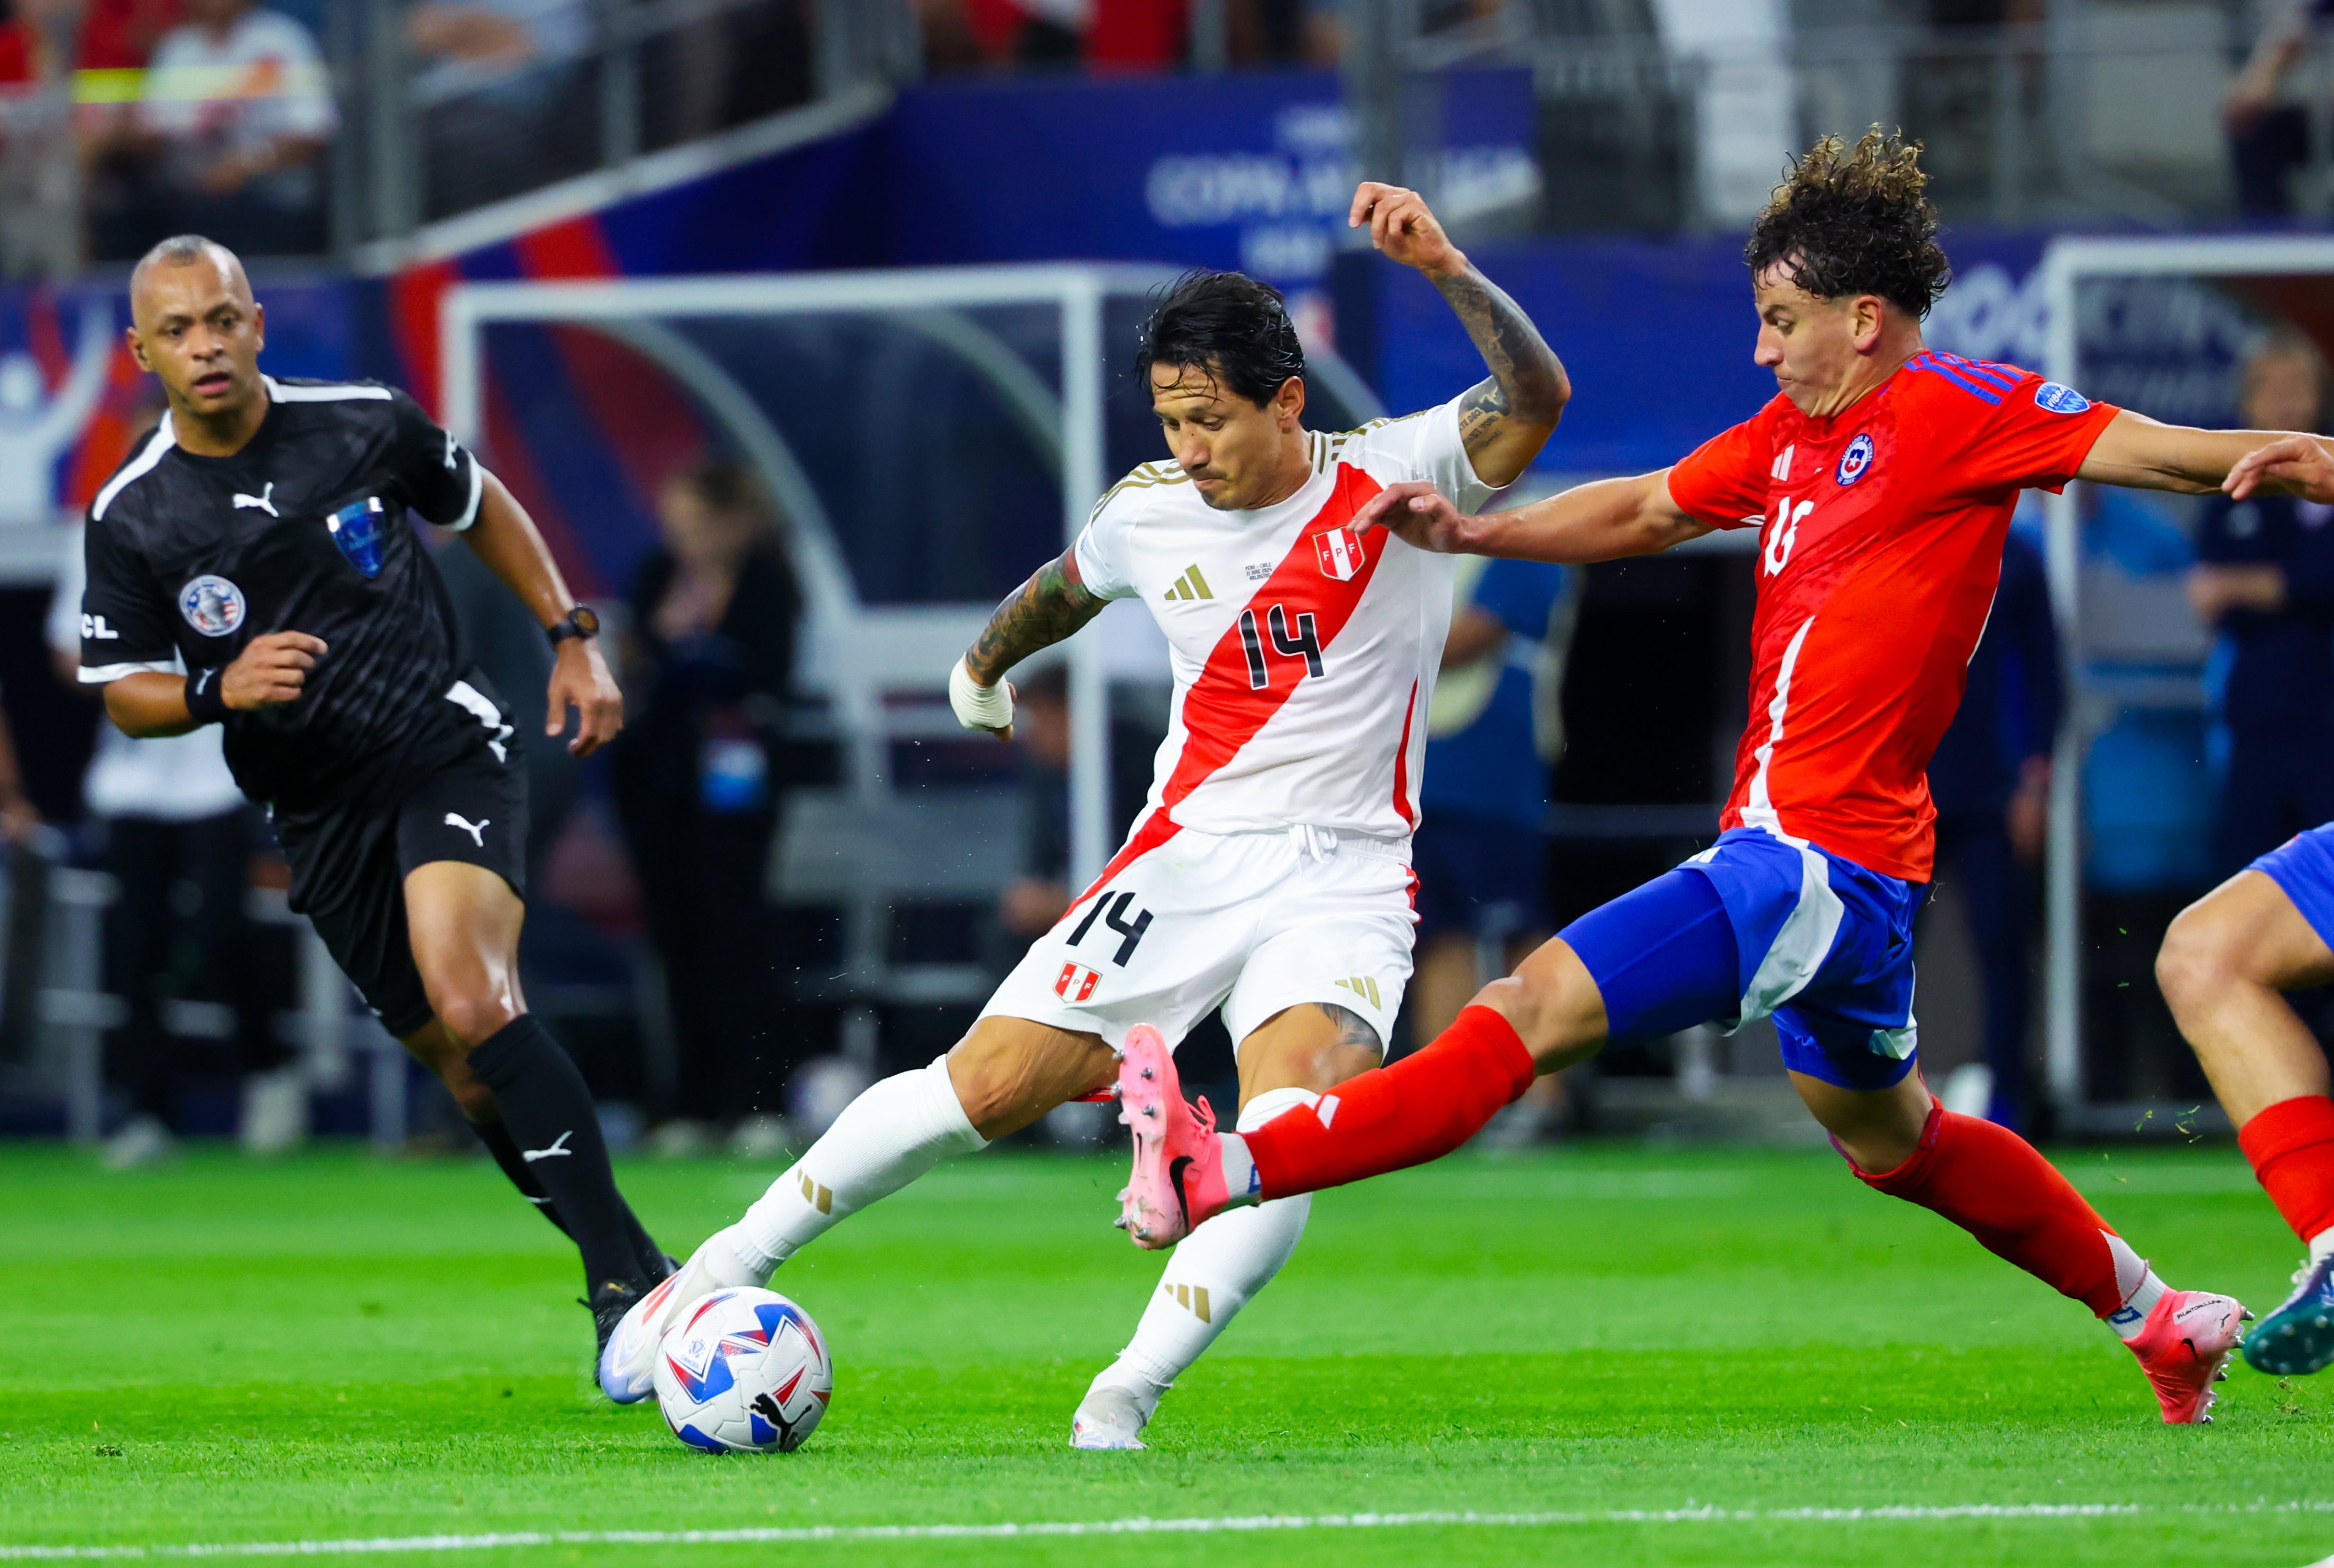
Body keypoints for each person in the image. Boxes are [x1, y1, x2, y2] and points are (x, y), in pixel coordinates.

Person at [1110, 130, 2287, 1427]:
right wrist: (1478, 531)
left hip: (1805, 863)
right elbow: (1645, 508)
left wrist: (2300, 450)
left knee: (1523, 1010)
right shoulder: (1789, 435)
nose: (1759, 350)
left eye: (1779, 321)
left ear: (1862, 318)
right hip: (1855, 878)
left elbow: (2161, 449)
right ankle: (2157, 1314)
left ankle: (1222, 1165)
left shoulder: (1960, 406)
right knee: (1895, 1139)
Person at [597, 182, 1569, 1447]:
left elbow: (1535, 397)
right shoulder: (1147, 509)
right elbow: (1064, 585)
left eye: (1210, 419)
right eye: (1171, 420)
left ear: (1287, 401)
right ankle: (715, 1270)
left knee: (1292, 1130)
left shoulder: (1399, 466)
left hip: (1344, 877)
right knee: (983, 1086)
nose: (1191, 447)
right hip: (1182, 860)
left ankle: (1123, 1394)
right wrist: (982, 663)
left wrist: (1441, 264)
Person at [76, 234, 670, 1354]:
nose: (207, 345)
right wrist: (218, 687)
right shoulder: (134, 513)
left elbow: (480, 501)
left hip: (437, 744)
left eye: (223, 319)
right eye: (178, 330)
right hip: (315, 810)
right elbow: (121, 692)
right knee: (468, 1076)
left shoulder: (361, 420)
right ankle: (648, 1276)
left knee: (475, 1000)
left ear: (256, 324)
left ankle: (619, 1294)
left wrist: (571, 635)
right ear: (143, 353)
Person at [49, 516, 286, 1168]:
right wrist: (130, 673)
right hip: (130, 780)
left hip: (216, 774)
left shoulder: (231, 523)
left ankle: (268, 1073)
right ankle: (149, 1110)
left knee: (220, 932)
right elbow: (67, 649)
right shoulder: (95, 533)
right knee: (134, 951)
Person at [610, 458, 800, 1143]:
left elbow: (770, 668)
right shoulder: (658, 573)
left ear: (729, 520)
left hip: (736, 774)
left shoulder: (768, 577)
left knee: (737, 933)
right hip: (661, 777)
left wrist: (709, 657)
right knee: (675, 937)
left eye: (693, 522)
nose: (681, 536)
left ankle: (756, 1100)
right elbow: (637, 659)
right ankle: (688, 1103)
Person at [1408, 554, 1572, 1133]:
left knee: (1518, 936)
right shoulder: (1423, 545)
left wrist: (1367, 642)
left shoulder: (1525, 538)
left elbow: (1470, 635)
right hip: (1421, 779)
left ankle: (1541, 1099)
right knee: (1435, 938)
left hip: (1494, 780)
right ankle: (1444, 1105)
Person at [1924, 516, 2058, 1130]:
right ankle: (1868, 1099)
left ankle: (2006, 1101)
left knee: (2002, 946)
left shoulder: (2017, 554)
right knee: (1878, 949)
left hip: (1992, 791)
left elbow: (2043, 670)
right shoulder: (1899, 531)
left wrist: (2034, 778)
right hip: (1903, 786)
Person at [2190, 332, 2334, 877]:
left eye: (2297, 389)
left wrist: (2247, 585)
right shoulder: (2231, 489)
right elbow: (2210, 593)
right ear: (2248, 401)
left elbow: (2322, 579)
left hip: (2324, 717)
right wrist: (2285, 585)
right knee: (2249, 871)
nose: (2285, 403)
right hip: (2255, 717)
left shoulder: (2326, 485)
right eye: (2271, 390)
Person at [105, 0, 334, 256]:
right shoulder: (179, 47)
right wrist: (124, 132)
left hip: (267, 192)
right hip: (186, 195)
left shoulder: (282, 38)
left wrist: (245, 165)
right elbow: (155, 130)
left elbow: (311, 129)